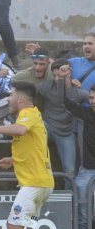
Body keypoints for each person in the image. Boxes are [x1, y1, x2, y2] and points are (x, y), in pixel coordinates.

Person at [0, 81, 54, 229]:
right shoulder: (33, 116)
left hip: (35, 183)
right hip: (39, 182)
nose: (7, 99)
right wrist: (14, 159)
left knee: (14, 227)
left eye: (10, 95)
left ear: (21, 99)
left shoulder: (28, 113)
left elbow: (20, 130)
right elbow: (35, 146)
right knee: (15, 226)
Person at [36, 59, 88, 190]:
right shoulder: (44, 87)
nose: (56, 78)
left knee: (70, 172)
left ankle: (68, 204)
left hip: (66, 133)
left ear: (69, 72)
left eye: (60, 75)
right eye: (55, 75)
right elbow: (26, 95)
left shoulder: (78, 92)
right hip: (46, 128)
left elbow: (91, 99)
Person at [56, 64, 95, 229]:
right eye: (92, 98)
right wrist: (64, 80)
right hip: (85, 172)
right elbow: (65, 101)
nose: (93, 101)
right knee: (83, 217)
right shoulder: (85, 113)